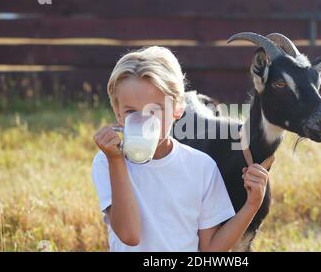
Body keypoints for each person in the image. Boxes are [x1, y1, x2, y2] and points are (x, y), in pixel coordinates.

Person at [92, 46, 270, 251]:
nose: (143, 122)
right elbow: (130, 235)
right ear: (117, 112)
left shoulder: (201, 166)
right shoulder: (107, 161)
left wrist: (252, 205)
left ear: (178, 109)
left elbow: (210, 248)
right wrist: (116, 160)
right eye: (131, 111)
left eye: (155, 110)